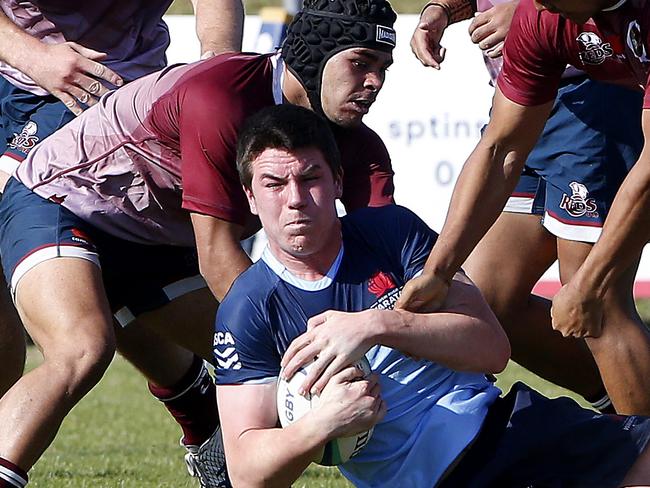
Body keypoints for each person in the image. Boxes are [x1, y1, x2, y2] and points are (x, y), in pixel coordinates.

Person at [0, 0, 398, 485]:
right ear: (314, 55)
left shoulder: (360, 147)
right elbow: (216, 257)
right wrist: (312, 353)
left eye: (383, 68)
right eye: (361, 63)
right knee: (82, 348)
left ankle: (211, 441)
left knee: (272, 369)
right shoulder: (221, 95)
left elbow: (391, 259)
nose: (375, 83)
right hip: (63, 199)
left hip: (152, 243)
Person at [214, 104, 650, 487]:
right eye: (274, 184)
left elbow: (491, 347)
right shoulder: (248, 308)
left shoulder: (391, 232)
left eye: (311, 178)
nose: (295, 200)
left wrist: (377, 325)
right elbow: (246, 471)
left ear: (337, 181)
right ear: (251, 197)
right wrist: (321, 426)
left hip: (512, 428)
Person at [0, 3, 245, 486]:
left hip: (114, 102)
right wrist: (35, 55)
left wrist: (218, 67)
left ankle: (204, 399)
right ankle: (195, 399)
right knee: (85, 320)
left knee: (92, 312)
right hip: (19, 77)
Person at [399, 0, 650, 415]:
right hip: (554, 98)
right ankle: (624, 400)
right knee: (486, 301)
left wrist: (588, 286)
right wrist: (437, 272)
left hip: (599, 107)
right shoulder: (541, 17)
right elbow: (500, 149)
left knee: (600, 303)